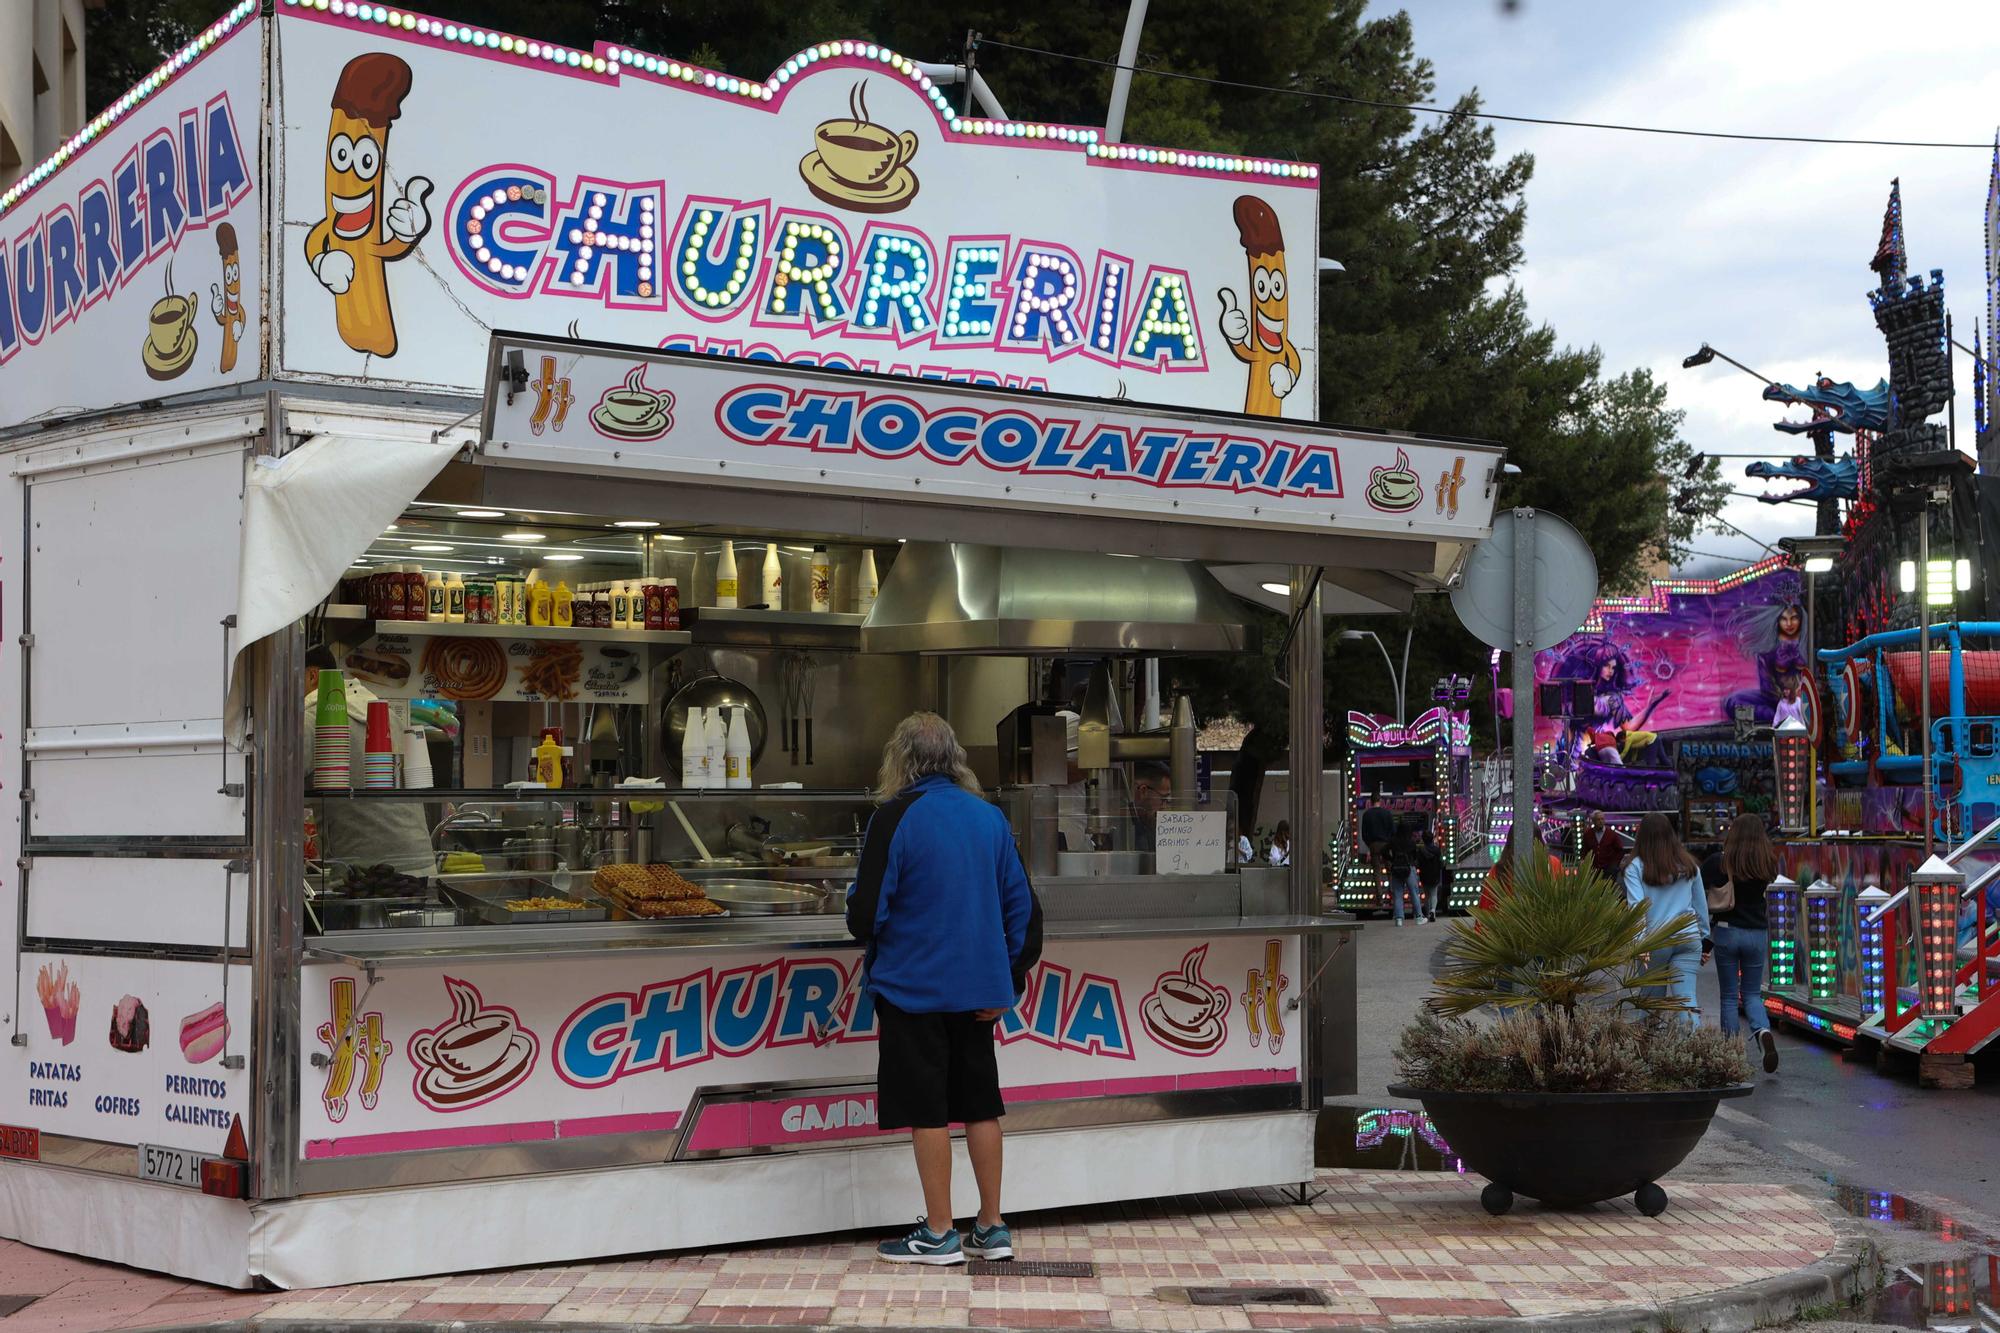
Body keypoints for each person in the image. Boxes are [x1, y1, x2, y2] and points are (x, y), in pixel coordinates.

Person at [846, 713, 1042, 1265]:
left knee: (928, 1109)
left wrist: (855, 906)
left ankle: (938, 1232)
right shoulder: (990, 819)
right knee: (981, 1105)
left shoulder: (893, 818)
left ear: (900, 761)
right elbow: (1024, 913)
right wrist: (1008, 979)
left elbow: (865, 916)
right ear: (956, 758)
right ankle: (992, 1226)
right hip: (980, 995)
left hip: (913, 989)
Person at [1705, 817, 1781, 1073]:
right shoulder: (1767, 862)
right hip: (1757, 933)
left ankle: (1732, 1053)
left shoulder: (1720, 861)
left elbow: (1700, 883)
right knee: (1751, 993)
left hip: (1727, 931)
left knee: (1729, 996)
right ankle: (1762, 1031)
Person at [1622, 813, 1711, 1021]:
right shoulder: (1689, 866)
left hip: (1654, 941)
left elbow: (1637, 910)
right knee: (1687, 1000)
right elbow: (1700, 906)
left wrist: (1639, 946)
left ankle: (1650, 1048)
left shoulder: (1635, 867)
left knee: (1650, 1002)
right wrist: (1705, 941)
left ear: (1641, 836)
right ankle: (1694, 1046)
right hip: (1688, 938)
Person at [1387, 815, 1423, 925]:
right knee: (1414, 892)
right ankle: (1418, 917)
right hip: (1409, 868)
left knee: (1398, 894)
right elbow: (1415, 855)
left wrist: (1391, 859)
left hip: (1396, 867)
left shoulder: (1393, 841)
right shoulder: (1411, 842)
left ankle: (1399, 918)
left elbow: (1385, 850)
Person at [1582, 812, 1626, 881]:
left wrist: (1615, 864)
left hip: (1609, 869)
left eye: (1602, 819)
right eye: (1598, 819)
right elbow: (1584, 850)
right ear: (1593, 821)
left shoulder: (1611, 834)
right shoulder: (1588, 834)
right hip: (1593, 870)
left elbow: (1620, 850)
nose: (1600, 821)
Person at [1416, 827, 1444, 921]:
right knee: (1434, 894)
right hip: (1435, 874)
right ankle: (1433, 910)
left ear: (1423, 839)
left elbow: (1418, 863)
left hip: (1424, 874)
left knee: (1426, 895)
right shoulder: (1437, 850)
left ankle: (1428, 914)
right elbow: (1441, 863)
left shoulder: (1421, 851)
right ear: (1432, 839)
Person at [1359, 801, 1395, 873]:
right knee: (1389, 868)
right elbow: (1392, 830)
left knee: (1376, 869)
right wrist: (1390, 842)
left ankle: (1377, 884)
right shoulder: (1387, 813)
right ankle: (1391, 883)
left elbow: (1364, 832)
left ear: (1371, 801)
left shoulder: (1367, 814)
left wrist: (1369, 844)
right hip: (1385, 844)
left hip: (1373, 844)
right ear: (1380, 800)